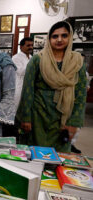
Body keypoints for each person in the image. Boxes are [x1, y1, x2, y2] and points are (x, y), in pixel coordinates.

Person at [16, 21, 87, 152]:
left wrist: (74, 122)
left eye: (64, 36)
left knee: (59, 156)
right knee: (35, 153)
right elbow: (28, 90)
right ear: (49, 38)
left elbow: (81, 94)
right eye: (55, 36)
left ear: (70, 37)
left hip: (64, 115)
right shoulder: (37, 60)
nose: (59, 40)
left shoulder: (77, 62)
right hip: (38, 114)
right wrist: (26, 118)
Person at [12, 37, 33, 109]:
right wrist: (33, 66)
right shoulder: (16, 58)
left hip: (30, 87)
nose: (31, 47)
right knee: (17, 108)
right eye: (28, 45)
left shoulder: (31, 57)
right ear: (21, 47)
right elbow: (20, 71)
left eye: (31, 45)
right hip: (19, 86)